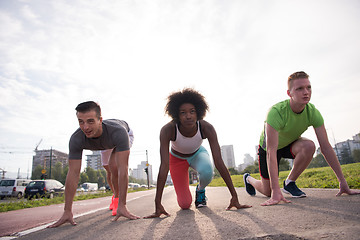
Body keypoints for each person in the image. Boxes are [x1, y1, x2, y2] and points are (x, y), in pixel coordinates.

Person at [243, 71, 360, 206]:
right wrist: (275, 191)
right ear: (289, 93)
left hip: (290, 144)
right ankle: (249, 179)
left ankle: (289, 182)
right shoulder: (276, 112)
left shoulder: (313, 112)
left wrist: (343, 181)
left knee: (309, 146)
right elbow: (271, 151)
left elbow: (326, 147)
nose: (306, 92)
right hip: (268, 148)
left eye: (308, 87)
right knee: (267, 191)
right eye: (299, 89)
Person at [145, 88, 251, 218]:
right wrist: (158, 203)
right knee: (184, 204)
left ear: (198, 112)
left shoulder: (207, 128)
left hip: (197, 154)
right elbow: (164, 166)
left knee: (207, 171)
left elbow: (218, 162)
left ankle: (200, 190)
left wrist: (234, 196)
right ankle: (186, 197)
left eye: (192, 111)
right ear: (177, 115)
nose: (188, 116)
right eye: (183, 113)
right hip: (176, 159)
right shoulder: (168, 130)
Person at [48, 101, 139, 228]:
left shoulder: (118, 132)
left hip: (122, 135)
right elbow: (73, 173)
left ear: (100, 120)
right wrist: (67, 210)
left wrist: (122, 205)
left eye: (90, 121)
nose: (85, 127)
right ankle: (114, 195)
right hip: (105, 142)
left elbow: (123, 169)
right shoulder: (76, 138)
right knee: (108, 170)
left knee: (114, 166)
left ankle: (118, 201)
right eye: (81, 122)